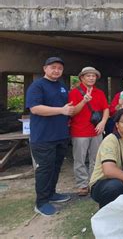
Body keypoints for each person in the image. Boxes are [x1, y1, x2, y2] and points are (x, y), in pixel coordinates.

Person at [25, 57, 74, 216]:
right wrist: (61, 110)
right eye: (53, 67)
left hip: (60, 135)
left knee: (55, 167)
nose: (56, 70)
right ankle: (41, 202)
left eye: (59, 68)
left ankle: (51, 193)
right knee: (44, 170)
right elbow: (35, 109)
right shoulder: (37, 86)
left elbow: (66, 107)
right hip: (43, 137)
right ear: (45, 68)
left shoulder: (61, 86)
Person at [68, 66, 110, 196]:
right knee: (80, 159)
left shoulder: (99, 92)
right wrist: (84, 100)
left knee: (96, 158)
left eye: (93, 76)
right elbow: (72, 112)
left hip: (96, 130)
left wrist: (103, 122)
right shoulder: (74, 93)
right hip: (79, 131)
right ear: (82, 78)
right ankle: (82, 184)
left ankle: (94, 182)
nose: (91, 78)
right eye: (88, 76)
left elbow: (106, 109)